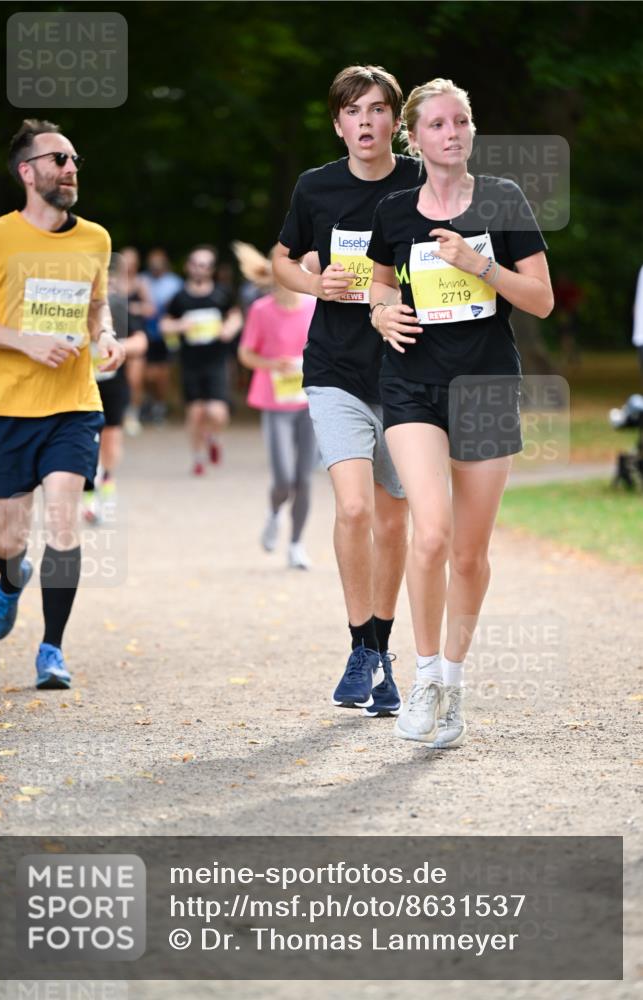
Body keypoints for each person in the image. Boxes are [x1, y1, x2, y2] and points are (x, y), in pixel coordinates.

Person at [367, 78, 553, 747]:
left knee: (469, 555)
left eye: (461, 122)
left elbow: (540, 300)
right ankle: (422, 679)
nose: (452, 134)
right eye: (438, 125)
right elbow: (378, 284)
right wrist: (380, 312)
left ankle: (453, 681)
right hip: (411, 384)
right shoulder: (394, 211)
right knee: (431, 534)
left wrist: (480, 264)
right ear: (414, 137)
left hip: (484, 386)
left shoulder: (502, 199)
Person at [272, 64, 423, 718]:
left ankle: (382, 650)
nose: (365, 121)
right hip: (335, 370)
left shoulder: (422, 183)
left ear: (395, 119)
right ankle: (362, 646)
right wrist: (314, 284)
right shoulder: (316, 187)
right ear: (338, 124)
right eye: (353, 111)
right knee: (355, 508)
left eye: (377, 108)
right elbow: (281, 258)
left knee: (393, 520)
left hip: (409, 371)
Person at [0, 118, 125, 689]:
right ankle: (10, 577)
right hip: (4, 407)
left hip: (72, 405)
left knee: (64, 521)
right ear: (27, 171)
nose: (70, 168)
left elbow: (96, 306)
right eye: (57, 159)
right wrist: (26, 342)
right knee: (8, 536)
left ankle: (51, 650)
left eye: (73, 160)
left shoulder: (95, 239)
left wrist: (105, 335)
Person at [235, 241, 318, 570]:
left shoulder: (314, 305)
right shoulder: (261, 310)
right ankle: (273, 513)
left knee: (304, 479)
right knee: (283, 478)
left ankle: (296, 544)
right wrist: (273, 365)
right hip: (275, 402)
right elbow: (245, 354)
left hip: (310, 402)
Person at [160, 245, 242, 474]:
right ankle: (198, 458)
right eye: (196, 264)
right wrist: (179, 325)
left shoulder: (222, 293)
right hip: (190, 362)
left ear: (211, 269)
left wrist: (229, 328)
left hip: (217, 360)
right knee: (195, 413)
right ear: (188, 267)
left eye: (205, 265)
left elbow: (236, 316)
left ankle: (213, 437)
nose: (200, 269)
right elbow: (164, 324)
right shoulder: (179, 297)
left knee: (217, 412)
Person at [83, 257, 149, 523]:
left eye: (111, 283)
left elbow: (141, 342)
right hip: (78, 387)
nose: (107, 289)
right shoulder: (74, 308)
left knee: (110, 443)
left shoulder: (121, 308)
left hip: (112, 384)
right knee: (83, 442)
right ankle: (89, 494)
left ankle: (107, 477)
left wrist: (117, 346)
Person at [141, 248, 183, 423]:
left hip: (166, 334)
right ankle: (150, 400)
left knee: (164, 372)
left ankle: (160, 404)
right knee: (147, 373)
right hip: (147, 332)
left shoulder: (175, 282)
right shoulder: (143, 280)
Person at [118, 246, 155, 435]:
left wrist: (132, 308)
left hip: (136, 334)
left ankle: (131, 413)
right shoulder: (111, 281)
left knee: (135, 379)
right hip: (116, 333)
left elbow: (150, 309)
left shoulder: (141, 283)